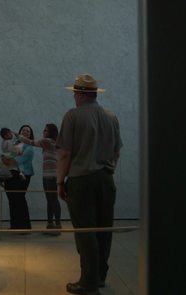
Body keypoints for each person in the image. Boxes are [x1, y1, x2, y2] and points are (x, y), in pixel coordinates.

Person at [56, 74, 122, 295]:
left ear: (82, 95)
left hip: (81, 181)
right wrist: (107, 169)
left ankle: (88, 282)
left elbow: (64, 154)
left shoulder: (72, 116)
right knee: (104, 230)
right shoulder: (111, 117)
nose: (74, 97)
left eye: (75, 93)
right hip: (106, 179)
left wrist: (59, 181)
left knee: (86, 232)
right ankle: (100, 277)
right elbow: (117, 151)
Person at [17, 123, 62, 235]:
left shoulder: (48, 141)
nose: (44, 132)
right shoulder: (52, 143)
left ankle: (57, 226)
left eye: (46, 130)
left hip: (51, 176)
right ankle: (50, 225)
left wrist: (16, 134)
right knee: (50, 200)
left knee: (53, 200)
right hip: (47, 175)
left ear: (51, 132)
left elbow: (31, 142)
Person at [2, 125, 35, 230]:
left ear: (30, 135)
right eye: (23, 130)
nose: (25, 132)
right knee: (12, 199)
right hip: (11, 173)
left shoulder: (29, 147)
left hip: (23, 174)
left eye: (28, 131)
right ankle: (14, 225)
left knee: (19, 198)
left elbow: (19, 160)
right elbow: (6, 156)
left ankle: (25, 226)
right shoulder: (13, 143)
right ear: (20, 132)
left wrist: (8, 159)